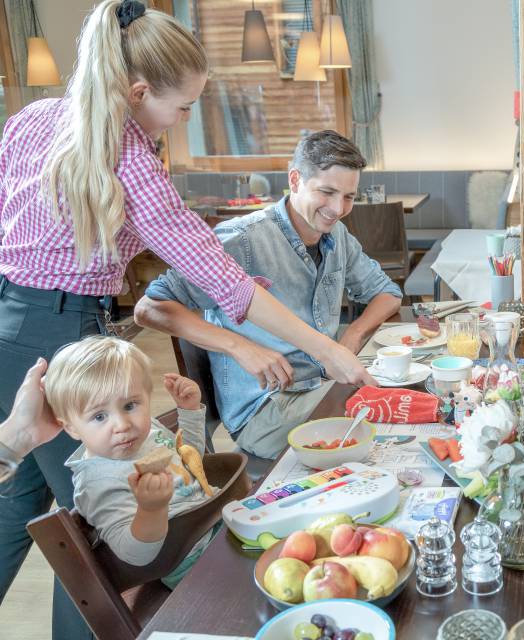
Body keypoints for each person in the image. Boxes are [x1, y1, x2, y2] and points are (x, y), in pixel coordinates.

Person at [0, 2, 372, 637]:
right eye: (183, 109)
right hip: (64, 341)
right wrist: (331, 352)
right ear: (139, 92)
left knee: (19, 507)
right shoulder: (128, 152)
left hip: (11, 323)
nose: (181, 122)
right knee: (94, 535)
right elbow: (217, 276)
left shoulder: (33, 119)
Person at [134, 131, 402, 459]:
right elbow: (148, 308)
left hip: (321, 389)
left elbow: (387, 292)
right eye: (327, 192)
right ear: (295, 180)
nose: (338, 208)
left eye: (348, 196)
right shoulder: (241, 240)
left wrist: (351, 338)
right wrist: (238, 345)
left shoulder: (337, 235)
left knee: (400, 407)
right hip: (265, 412)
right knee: (390, 423)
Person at [47, 337, 213, 587]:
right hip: (188, 561)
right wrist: (151, 509)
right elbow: (136, 555)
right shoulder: (97, 482)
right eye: (99, 416)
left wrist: (188, 412)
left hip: (214, 522)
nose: (123, 425)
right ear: (70, 427)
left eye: (130, 405)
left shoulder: (148, 434)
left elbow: (190, 465)